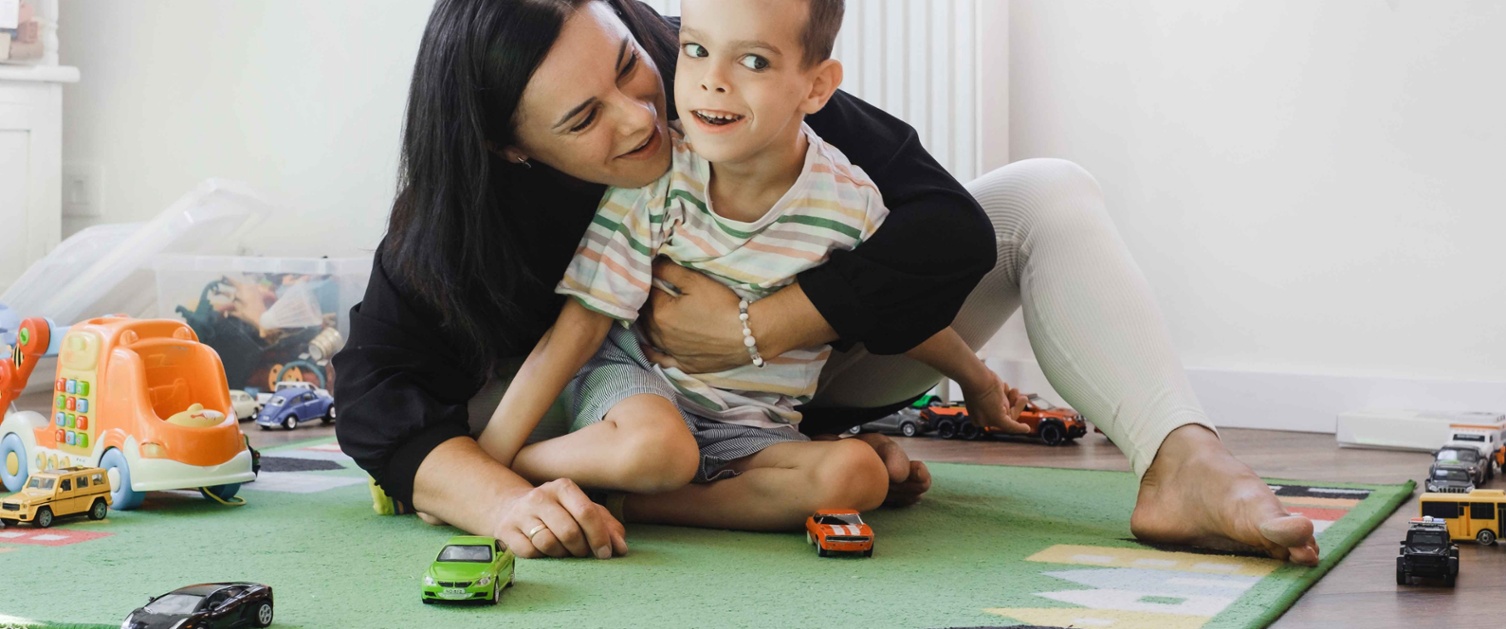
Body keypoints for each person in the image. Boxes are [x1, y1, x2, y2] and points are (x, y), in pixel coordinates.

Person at [334, 0, 1320, 565]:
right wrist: (495, 494)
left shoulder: (712, 71)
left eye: (634, 67)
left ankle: (1184, 460)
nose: (643, 116)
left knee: (1048, 195)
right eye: (583, 120)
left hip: (785, 382)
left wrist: (760, 325)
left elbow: (943, 231)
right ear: (510, 150)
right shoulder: (455, 217)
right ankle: (617, 479)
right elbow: (376, 399)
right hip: (601, 402)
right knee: (518, 421)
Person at [474, 0, 1032, 534]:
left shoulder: (849, 203)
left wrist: (977, 381)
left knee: (858, 476)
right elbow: (578, 326)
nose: (712, 80)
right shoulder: (660, 178)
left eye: (753, 61)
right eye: (694, 50)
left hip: (753, 421)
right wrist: (486, 468)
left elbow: (897, 309)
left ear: (816, 87)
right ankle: (528, 467)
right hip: (641, 387)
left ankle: (642, 503)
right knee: (659, 449)